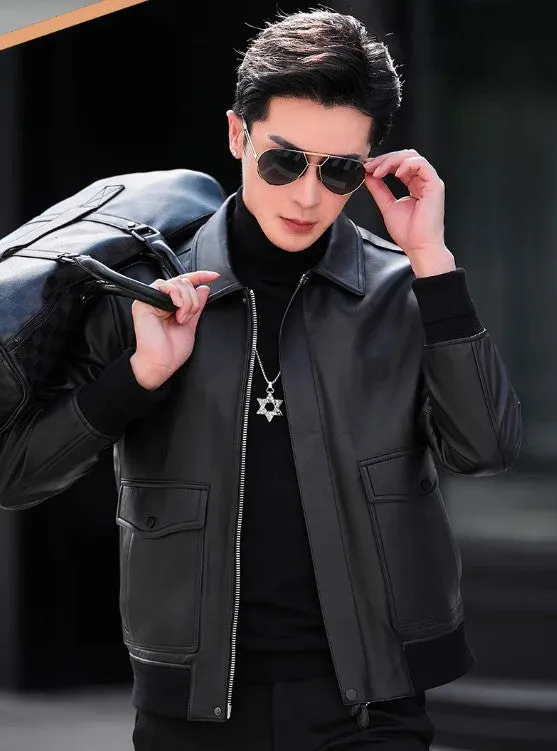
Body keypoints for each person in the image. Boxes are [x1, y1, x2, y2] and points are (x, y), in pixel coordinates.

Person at [0, 8, 522, 751]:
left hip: (370, 707)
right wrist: (139, 376)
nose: (307, 196)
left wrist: (433, 264)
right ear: (237, 135)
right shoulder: (145, 294)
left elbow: (486, 448)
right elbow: (15, 476)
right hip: (192, 711)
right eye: (284, 161)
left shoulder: (403, 291)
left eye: (338, 170)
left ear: (369, 164)